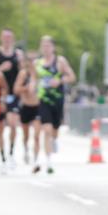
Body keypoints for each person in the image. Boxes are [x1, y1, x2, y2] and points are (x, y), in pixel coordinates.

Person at [33, 36, 75, 174]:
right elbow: (33, 79)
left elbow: (72, 77)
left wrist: (60, 80)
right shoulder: (37, 63)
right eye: (43, 45)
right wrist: (32, 88)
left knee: (55, 130)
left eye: (48, 45)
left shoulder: (60, 61)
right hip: (43, 100)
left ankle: (55, 140)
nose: (45, 48)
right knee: (46, 130)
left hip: (57, 100)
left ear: (53, 47)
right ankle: (49, 161)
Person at [0, 28, 24, 169]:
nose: (7, 40)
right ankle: (3, 157)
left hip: (13, 95)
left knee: (13, 124)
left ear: (13, 39)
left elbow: (24, 71)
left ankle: (11, 153)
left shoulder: (18, 54)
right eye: (5, 37)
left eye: (10, 37)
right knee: (0, 128)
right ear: (1, 38)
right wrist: (1, 68)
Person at [14, 53, 41, 166]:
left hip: (38, 107)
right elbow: (16, 89)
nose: (33, 63)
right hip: (26, 106)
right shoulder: (23, 74)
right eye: (30, 60)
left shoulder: (40, 74)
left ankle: (36, 159)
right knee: (26, 134)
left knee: (37, 135)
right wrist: (26, 88)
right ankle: (26, 150)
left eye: (35, 60)